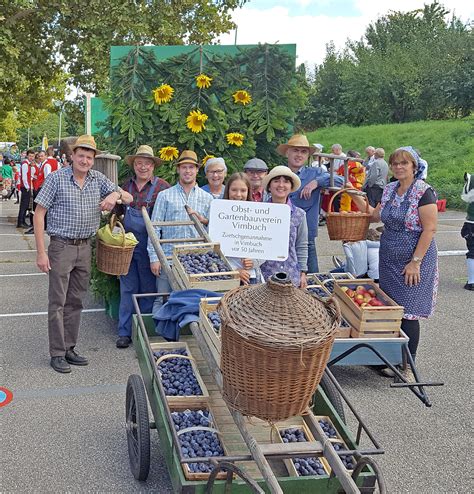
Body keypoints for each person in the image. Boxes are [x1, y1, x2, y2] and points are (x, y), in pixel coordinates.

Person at [33, 135, 133, 373]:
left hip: (84, 247)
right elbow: (38, 214)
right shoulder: (56, 179)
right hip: (60, 246)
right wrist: (40, 253)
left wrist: (114, 195)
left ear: (93, 159)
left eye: (89, 157)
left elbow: (129, 197)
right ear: (72, 156)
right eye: (81, 155)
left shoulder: (98, 179)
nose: (85, 160)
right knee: (58, 301)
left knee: (76, 301)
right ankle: (57, 353)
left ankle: (69, 347)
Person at [350, 147, 438, 378]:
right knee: (391, 308)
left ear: (414, 166)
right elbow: (374, 216)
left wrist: (415, 262)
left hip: (414, 259)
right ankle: (388, 358)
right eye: (395, 163)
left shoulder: (424, 192)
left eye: (404, 163)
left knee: (408, 312)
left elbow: (429, 229)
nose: (399, 167)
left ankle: (407, 365)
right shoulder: (389, 189)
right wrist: (354, 195)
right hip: (389, 258)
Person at [116, 145, 170, 348]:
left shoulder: (162, 187)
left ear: (153, 166)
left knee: (149, 289)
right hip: (128, 247)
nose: (143, 167)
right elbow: (117, 213)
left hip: (150, 247)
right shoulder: (125, 186)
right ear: (134, 165)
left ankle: (144, 333)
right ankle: (124, 332)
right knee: (127, 288)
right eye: (139, 163)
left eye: (147, 163)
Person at [148, 150, 213, 310]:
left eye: (191, 167)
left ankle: (188, 334)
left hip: (197, 260)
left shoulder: (207, 198)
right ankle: (160, 334)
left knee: (194, 302)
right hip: (168, 258)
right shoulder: (165, 195)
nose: (187, 171)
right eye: (184, 167)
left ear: (197, 170)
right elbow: (154, 227)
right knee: (162, 300)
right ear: (178, 169)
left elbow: (212, 230)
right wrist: (154, 257)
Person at [277, 134, 344, 273]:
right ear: (287, 152)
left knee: (311, 279)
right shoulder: (278, 174)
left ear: (308, 155)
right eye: (295, 150)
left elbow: (341, 182)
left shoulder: (315, 173)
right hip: (280, 236)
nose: (299, 155)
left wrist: (317, 182)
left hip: (306, 239)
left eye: (303, 151)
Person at [259, 165, 308, 288]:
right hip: (264, 275)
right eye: (276, 181)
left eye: (286, 181)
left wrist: (303, 272)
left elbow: (301, 245)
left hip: (291, 275)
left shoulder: (299, 214)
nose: (281, 185)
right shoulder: (259, 212)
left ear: (291, 187)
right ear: (269, 186)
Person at [222, 172, 262, 284]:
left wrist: (254, 261)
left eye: (243, 190)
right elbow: (212, 250)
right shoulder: (218, 214)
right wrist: (233, 270)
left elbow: (265, 247)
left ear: (249, 192)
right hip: (226, 276)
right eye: (234, 190)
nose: (238, 195)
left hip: (251, 276)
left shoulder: (258, 215)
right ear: (227, 190)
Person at [16, 149, 38, 228]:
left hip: (26, 186)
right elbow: (24, 177)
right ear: (27, 156)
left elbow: (29, 176)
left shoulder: (28, 164)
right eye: (30, 156)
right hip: (25, 187)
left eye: (33, 156)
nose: (31, 158)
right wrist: (27, 187)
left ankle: (22, 221)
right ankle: (20, 222)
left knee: (25, 205)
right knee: (24, 205)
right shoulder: (25, 164)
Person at [461, 172, 474, 291]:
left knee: (472, 251)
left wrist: (468, 181)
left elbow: (466, 197)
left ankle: (472, 281)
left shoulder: (473, 178)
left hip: (472, 221)